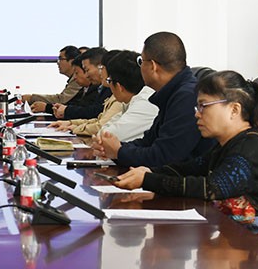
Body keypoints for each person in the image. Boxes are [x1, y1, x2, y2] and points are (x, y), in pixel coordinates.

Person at [113, 70, 258, 233]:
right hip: (236, 236)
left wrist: (148, 180)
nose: (197, 114)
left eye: (203, 106)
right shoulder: (227, 144)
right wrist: (148, 171)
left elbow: (211, 189)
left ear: (234, 109)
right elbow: (190, 168)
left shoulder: (251, 148)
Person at [93, 32, 215, 168]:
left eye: (141, 61)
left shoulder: (186, 97)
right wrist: (114, 148)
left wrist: (119, 152)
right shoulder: (172, 92)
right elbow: (148, 142)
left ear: (152, 66)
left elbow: (164, 157)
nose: (140, 68)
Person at [50, 49, 122, 136]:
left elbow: (100, 125)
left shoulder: (118, 96)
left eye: (87, 70)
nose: (86, 75)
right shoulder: (106, 90)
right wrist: (70, 123)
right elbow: (98, 119)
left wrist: (74, 127)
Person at [96, 50, 159, 143]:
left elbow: (106, 136)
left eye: (109, 81)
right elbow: (102, 133)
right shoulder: (131, 102)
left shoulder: (145, 103)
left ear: (119, 87)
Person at [52, 47, 109, 120]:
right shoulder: (101, 88)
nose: (86, 75)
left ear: (101, 67)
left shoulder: (110, 89)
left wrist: (67, 112)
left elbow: (95, 113)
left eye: (87, 70)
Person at [24, 46, 82, 113]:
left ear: (72, 61)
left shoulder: (78, 80)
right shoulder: (73, 79)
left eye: (60, 59)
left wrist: (32, 98)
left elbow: (61, 100)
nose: (58, 62)